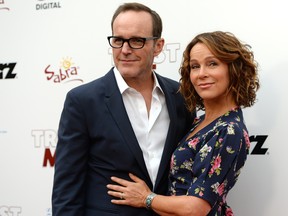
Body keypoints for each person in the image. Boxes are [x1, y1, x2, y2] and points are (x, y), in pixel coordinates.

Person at [51, 2, 194, 216]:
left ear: (158, 45)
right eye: (118, 40)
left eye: (137, 40)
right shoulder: (83, 101)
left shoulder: (180, 96)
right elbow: (67, 190)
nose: (125, 50)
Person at [106, 31, 260, 215]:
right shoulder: (201, 121)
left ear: (233, 70)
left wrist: (145, 198)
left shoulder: (228, 130)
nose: (201, 74)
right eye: (195, 66)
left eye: (212, 64)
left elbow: (196, 208)